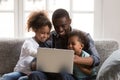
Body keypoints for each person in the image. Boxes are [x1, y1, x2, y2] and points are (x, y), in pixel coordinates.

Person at [28, 8, 100, 80]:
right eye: (56, 27)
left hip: (73, 76)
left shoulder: (83, 36)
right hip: (52, 74)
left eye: (63, 25)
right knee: (34, 75)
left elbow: (96, 59)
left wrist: (76, 60)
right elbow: (33, 63)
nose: (60, 30)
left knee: (62, 74)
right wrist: (39, 64)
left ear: (70, 21)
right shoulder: (50, 38)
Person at [1, 10, 52, 80]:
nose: (45, 36)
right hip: (20, 71)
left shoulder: (46, 44)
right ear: (35, 29)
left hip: (31, 74)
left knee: (22, 79)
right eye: (42, 33)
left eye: (47, 33)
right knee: (6, 77)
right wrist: (44, 55)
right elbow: (31, 52)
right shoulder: (29, 42)